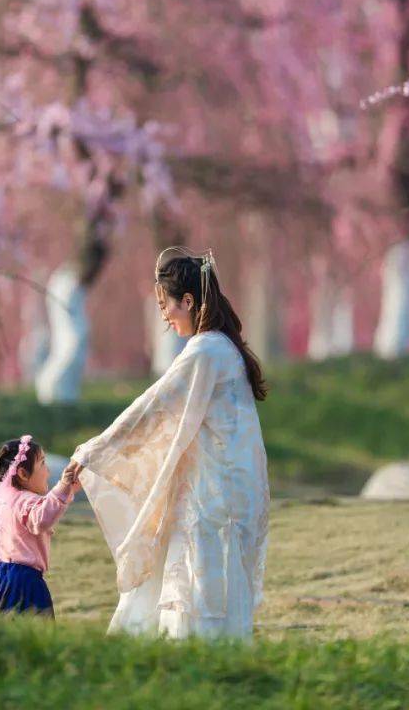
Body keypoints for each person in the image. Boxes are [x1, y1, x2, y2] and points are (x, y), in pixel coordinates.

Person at [72, 247, 270, 639]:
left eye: (166, 305)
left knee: (197, 588)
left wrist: (93, 451)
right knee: (205, 585)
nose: (164, 315)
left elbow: (154, 407)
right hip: (227, 493)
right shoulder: (222, 348)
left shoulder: (206, 350)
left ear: (189, 301)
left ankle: (194, 663)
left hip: (212, 500)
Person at [0, 435, 81, 617]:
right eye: (42, 463)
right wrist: (63, 485)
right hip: (23, 581)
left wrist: (68, 489)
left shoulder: (5, 497)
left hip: (0, 576)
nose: (48, 471)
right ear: (22, 473)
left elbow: (43, 508)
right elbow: (42, 518)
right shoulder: (24, 500)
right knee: (33, 633)